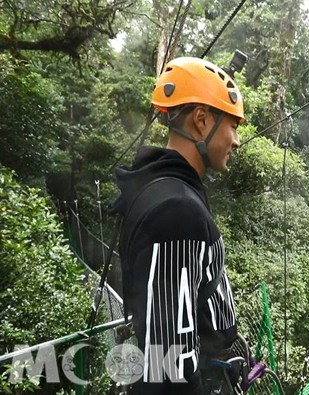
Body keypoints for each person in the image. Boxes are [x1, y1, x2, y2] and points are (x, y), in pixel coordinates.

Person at [110, 57, 244, 394]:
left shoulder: (159, 188)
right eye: (234, 126)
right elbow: (171, 363)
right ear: (201, 121)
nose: (237, 140)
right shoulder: (177, 211)